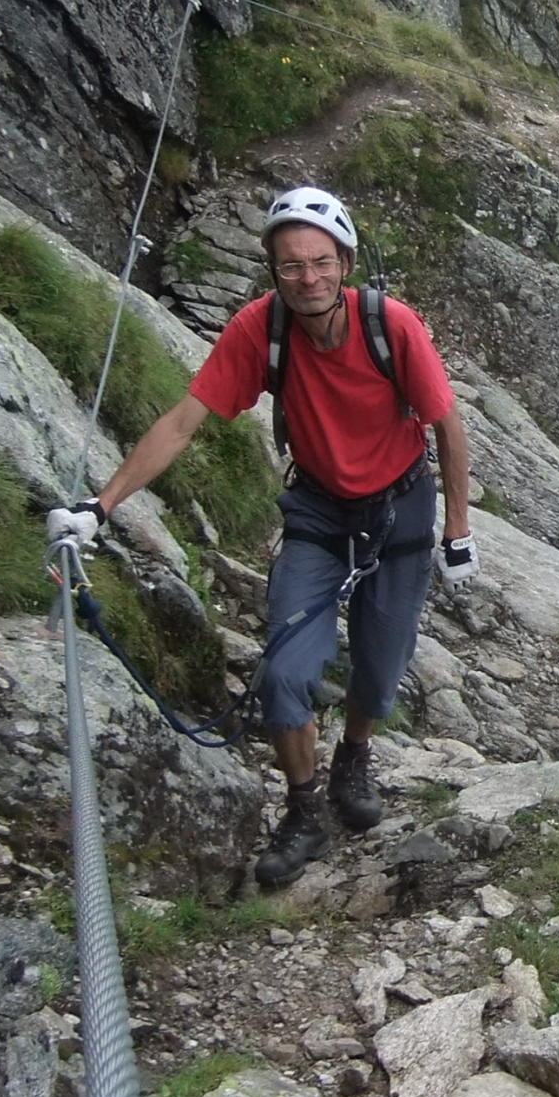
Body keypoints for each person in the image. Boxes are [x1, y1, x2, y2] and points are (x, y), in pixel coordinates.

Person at [48, 187, 477, 887]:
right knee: (283, 673)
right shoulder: (261, 329)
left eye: (321, 262)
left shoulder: (390, 325)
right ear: (273, 271)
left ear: (345, 263)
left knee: (379, 668)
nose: (308, 278)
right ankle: (304, 810)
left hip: (399, 511)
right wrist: (101, 505)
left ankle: (354, 755)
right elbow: (183, 421)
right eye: (291, 266)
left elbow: (446, 425)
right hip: (317, 513)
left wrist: (457, 528)